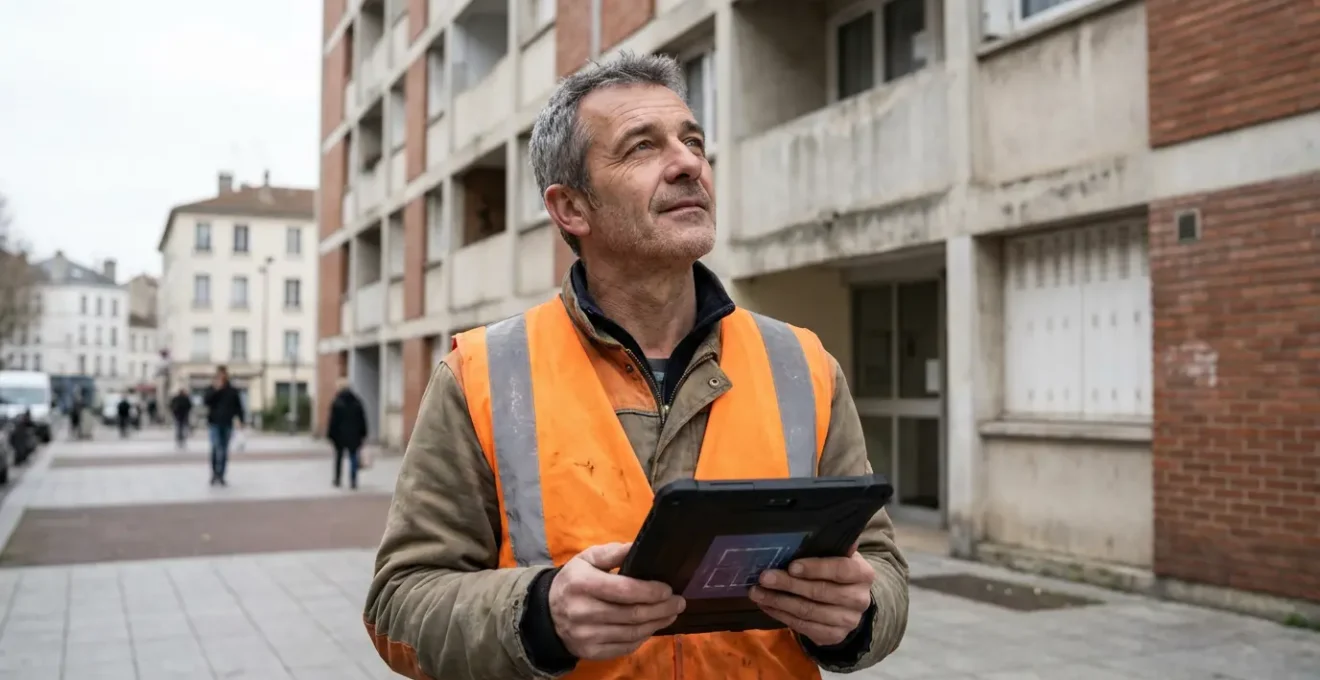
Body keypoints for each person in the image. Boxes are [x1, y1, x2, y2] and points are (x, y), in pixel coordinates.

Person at [363, 53, 909, 680]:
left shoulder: (802, 364)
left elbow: (880, 567)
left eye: (693, 141)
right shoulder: (483, 375)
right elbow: (397, 608)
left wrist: (856, 616)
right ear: (571, 208)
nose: (688, 164)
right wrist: (540, 614)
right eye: (642, 147)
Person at [202, 366, 245, 486]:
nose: (221, 377)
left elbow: (238, 406)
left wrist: (241, 420)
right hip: (214, 423)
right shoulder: (212, 388)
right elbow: (206, 401)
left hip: (227, 423)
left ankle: (221, 475)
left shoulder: (232, 390)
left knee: (224, 450)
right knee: (216, 448)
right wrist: (216, 390)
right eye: (219, 375)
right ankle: (214, 473)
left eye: (223, 375)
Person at [326, 379, 368, 490]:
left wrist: (330, 435)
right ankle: (353, 480)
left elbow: (333, 421)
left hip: (340, 435)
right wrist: (363, 433)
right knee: (353, 456)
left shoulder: (337, 403)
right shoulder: (357, 401)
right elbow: (362, 419)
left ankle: (337, 479)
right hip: (354, 435)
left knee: (339, 457)